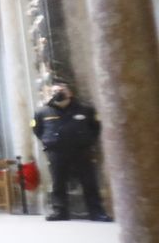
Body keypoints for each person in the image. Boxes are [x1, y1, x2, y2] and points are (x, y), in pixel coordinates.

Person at [33, 82, 111, 222]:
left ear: (70, 93)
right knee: (58, 182)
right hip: (57, 152)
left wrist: (87, 140)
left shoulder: (85, 110)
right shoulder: (42, 112)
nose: (57, 93)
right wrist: (49, 141)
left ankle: (96, 211)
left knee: (89, 181)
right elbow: (37, 130)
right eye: (54, 91)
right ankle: (60, 211)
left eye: (61, 90)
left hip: (81, 150)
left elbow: (95, 127)